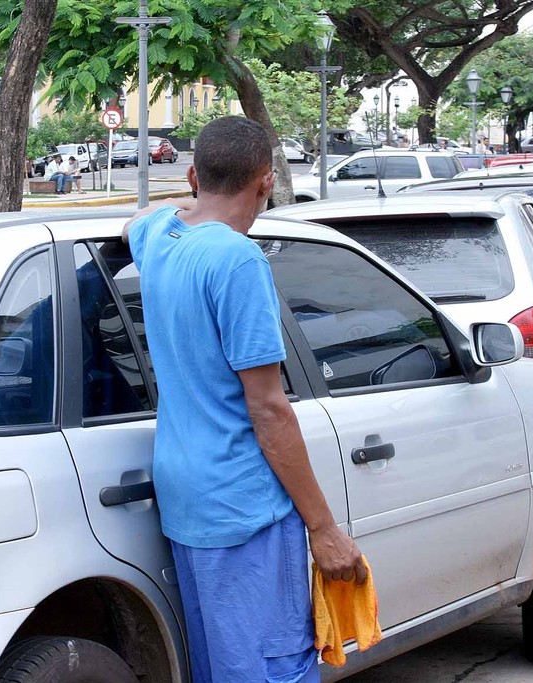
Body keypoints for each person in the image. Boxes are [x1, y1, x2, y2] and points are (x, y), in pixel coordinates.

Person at [123, 116, 366, 683]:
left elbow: (139, 218)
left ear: (191, 175)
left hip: (187, 496)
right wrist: (323, 527)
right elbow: (269, 408)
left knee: (224, 667)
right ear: (265, 182)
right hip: (244, 503)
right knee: (272, 667)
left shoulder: (160, 237)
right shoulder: (238, 260)